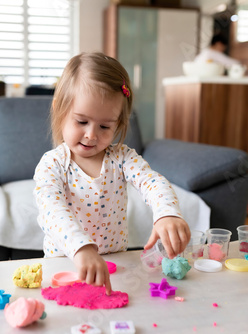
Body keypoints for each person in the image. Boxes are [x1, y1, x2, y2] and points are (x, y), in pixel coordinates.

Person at [33, 52, 190, 295]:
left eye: (105, 126)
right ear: (60, 109)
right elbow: (52, 211)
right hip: (66, 264)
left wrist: (166, 213)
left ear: (118, 123)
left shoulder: (122, 158)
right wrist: (82, 249)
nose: (91, 135)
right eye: (82, 122)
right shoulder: (52, 164)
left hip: (116, 265)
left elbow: (152, 182)